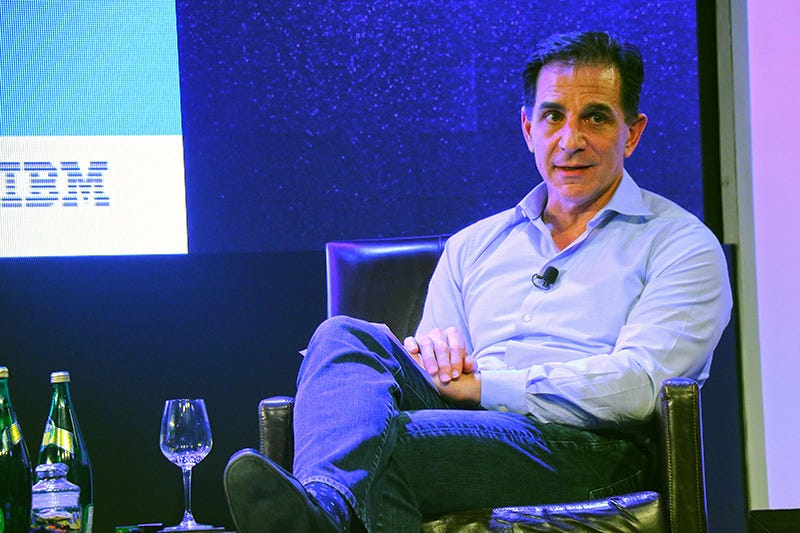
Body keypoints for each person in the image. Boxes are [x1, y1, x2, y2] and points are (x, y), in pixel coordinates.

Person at [223, 31, 732, 532]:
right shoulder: (474, 245)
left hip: (593, 449)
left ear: (632, 133)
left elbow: (640, 386)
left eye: (595, 117)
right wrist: (432, 358)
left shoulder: (681, 245)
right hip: (469, 428)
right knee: (342, 335)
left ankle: (320, 515)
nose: (570, 140)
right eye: (553, 116)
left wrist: (488, 385)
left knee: (385, 448)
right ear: (528, 129)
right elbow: (437, 376)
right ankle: (326, 509)